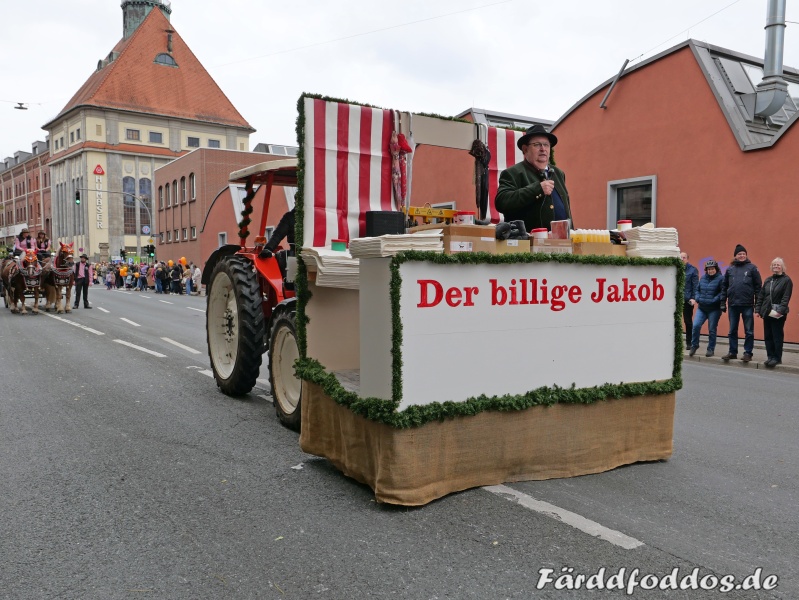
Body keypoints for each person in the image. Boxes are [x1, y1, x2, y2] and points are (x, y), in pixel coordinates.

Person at [494, 125, 574, 233]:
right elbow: (502, 202)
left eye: (546, 145)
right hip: (529, 240)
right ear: (525, 149)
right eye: (537, 144)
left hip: (563, 239)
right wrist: (537, 189)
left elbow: (566, 208)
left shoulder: (559, 173)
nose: (543, 149)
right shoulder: (513, 173)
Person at [720, 244, 761, 362]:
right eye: (739, 254)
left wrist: (758, 305)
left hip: (747, 305)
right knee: (732, 330)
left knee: (749, 331)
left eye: (743, 254)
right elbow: (724, 287)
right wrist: (722, 302)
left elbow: (758, 287)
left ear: (746, 255)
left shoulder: (752, 268)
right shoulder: (730, 269)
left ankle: (748, 353)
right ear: (735, 256)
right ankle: (732, 352)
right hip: (733, 305)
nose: (742, 255)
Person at [756, 257, 792, 368]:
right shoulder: (768, 280)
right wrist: (758, 310)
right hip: (767, 312)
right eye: (774, 265)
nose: (776, 266)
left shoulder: (786, 280)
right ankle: (770, 356)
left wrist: (779, 312)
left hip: (778, 313)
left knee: (777, 336)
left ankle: (777, 358)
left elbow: (785, 298)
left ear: (782, 267)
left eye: (778, 265)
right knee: (768, 336)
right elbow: (761, 296)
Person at [689, 260, 723, 357]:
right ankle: (694, 345)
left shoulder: (721, 278)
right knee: (696, 326)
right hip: (702, 308)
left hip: (714, 309)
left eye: (712, 269)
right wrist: (697, 298)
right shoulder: (703, 278)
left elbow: (722, 292)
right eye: (708, 269)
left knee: (712, 329)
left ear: (716, 269)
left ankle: (710, 349)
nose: (710, 271)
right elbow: (697, 290)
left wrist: (714, 300)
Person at [681, 252, 699, 350]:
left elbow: (695, 286)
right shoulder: (675, 269)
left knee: (687, 321)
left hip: (687, 299)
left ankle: (689, 342)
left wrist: (693, 298)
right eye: (680, 257)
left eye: (684, 257)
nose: (682, 259)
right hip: (677, 299)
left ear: (687, 259)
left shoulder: (692, 270)